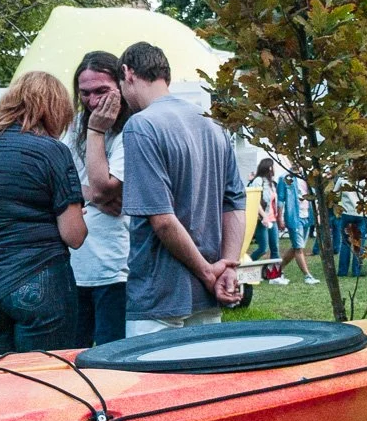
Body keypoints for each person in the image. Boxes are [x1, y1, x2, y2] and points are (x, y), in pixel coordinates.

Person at [0, 72, 87, 352]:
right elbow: (73, 235)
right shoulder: (53, 152)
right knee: (45, 379)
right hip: (42, 278)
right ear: (54, 109)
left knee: (7, 377)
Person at [118, 42, 245, 335]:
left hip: (159, 295)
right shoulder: (212, 124)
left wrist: (208, 272)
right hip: (207, 294)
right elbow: (235, 202)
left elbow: (162, 219)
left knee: (154, 382)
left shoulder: (141, 125)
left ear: (127, 73)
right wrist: (227, 267)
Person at [69, 51, 132, 345]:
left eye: (102, 91)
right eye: (85, 93)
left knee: (111, 358)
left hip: (117, 267)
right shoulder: (72, 126)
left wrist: (96, 130)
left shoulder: (131, 130)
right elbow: (59, 184)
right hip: (75, 265)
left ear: (120, 85)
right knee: (72, 358)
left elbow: (104, 188)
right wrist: (91, 196)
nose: (93, 102)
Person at [248, 158, 284, 281]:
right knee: (263, 248)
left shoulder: (272, 183)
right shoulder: (258, 181)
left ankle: (274, 276)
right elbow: (255, 201)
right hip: (262, 219)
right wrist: (264, 216)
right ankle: (247, 266)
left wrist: (278, 217)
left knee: (275, 248)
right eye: (273, 167)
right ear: (269, 167)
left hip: (272, 219)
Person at [279, 169, 316, 285]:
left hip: (307, 215)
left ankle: (276, 270)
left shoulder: (308, 176)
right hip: (293, 216)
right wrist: (279, 218)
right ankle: (307, 276)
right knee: (299, 248)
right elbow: (280, 199)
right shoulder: (284, 178)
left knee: (297, 246)